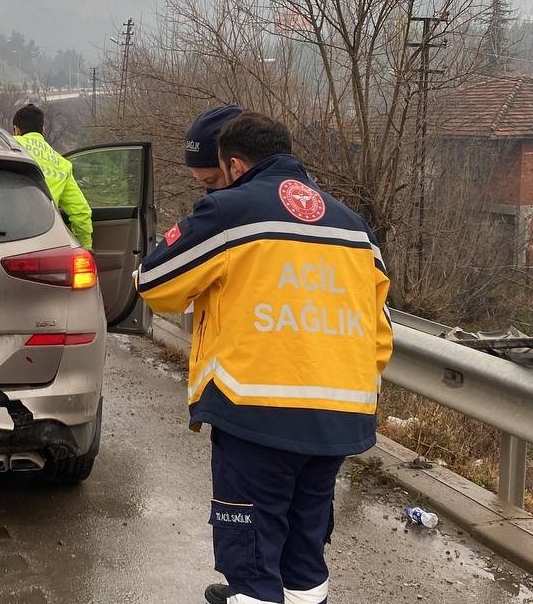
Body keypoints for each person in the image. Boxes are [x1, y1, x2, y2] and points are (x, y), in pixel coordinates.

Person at [136, 111, 393, 604]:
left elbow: (155, 284)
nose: (211, 190)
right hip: (338, 417)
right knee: (305, 547)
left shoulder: (230, 211)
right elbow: (379, 335)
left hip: (256, 410)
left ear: (234, 165)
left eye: (212, 180)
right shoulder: (354, 227)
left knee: (251, 556)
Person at [12, 104, 94, 250]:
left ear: (16, 130)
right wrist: (86, 246)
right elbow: (81, 211)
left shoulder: (7, 147)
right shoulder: (62, 164)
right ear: (42, 130)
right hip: (43, 239)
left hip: (3, 236)